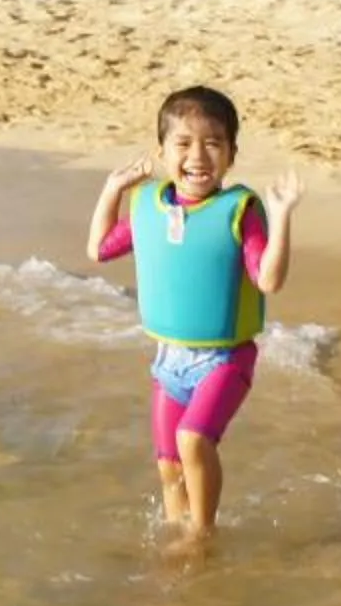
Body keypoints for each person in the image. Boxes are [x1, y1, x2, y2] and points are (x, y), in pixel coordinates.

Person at [86, 85, 301, 541]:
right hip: (170, 362)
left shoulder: (239, 211)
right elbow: (99, 249)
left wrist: (280, 218)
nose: (197, 156)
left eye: (213, 143)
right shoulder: (150, 204)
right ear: (162, 152)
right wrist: (113, 189)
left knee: (193, 441)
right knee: (168, 468)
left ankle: (201, 540)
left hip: (224, 361)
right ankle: (176, 533)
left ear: (231, 153)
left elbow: (267, 279)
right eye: (183, 144)